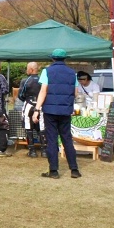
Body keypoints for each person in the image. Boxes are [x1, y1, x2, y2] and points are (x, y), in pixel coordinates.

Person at [34, 49, 82, 179]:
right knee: (67, 139)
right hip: (65, 110)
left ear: (53, 59)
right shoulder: (72, 73)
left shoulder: (47, 71)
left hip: (50, 111)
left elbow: (43, 91)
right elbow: (76, 93)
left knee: (52, 140)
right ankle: (74, 169)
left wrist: (37, 109)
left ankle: (54, 171)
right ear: (64, 59)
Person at [19, 62, 44, 158]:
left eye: (27, 68)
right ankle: (44, 151)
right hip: (41, 106)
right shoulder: (42, 80)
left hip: (29, 105)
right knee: (42, 127)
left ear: (31, 69)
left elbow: (21, 95)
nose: (26, 70)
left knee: (28, 127)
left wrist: (27, 99)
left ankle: (32, 151)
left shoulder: (25, 80)